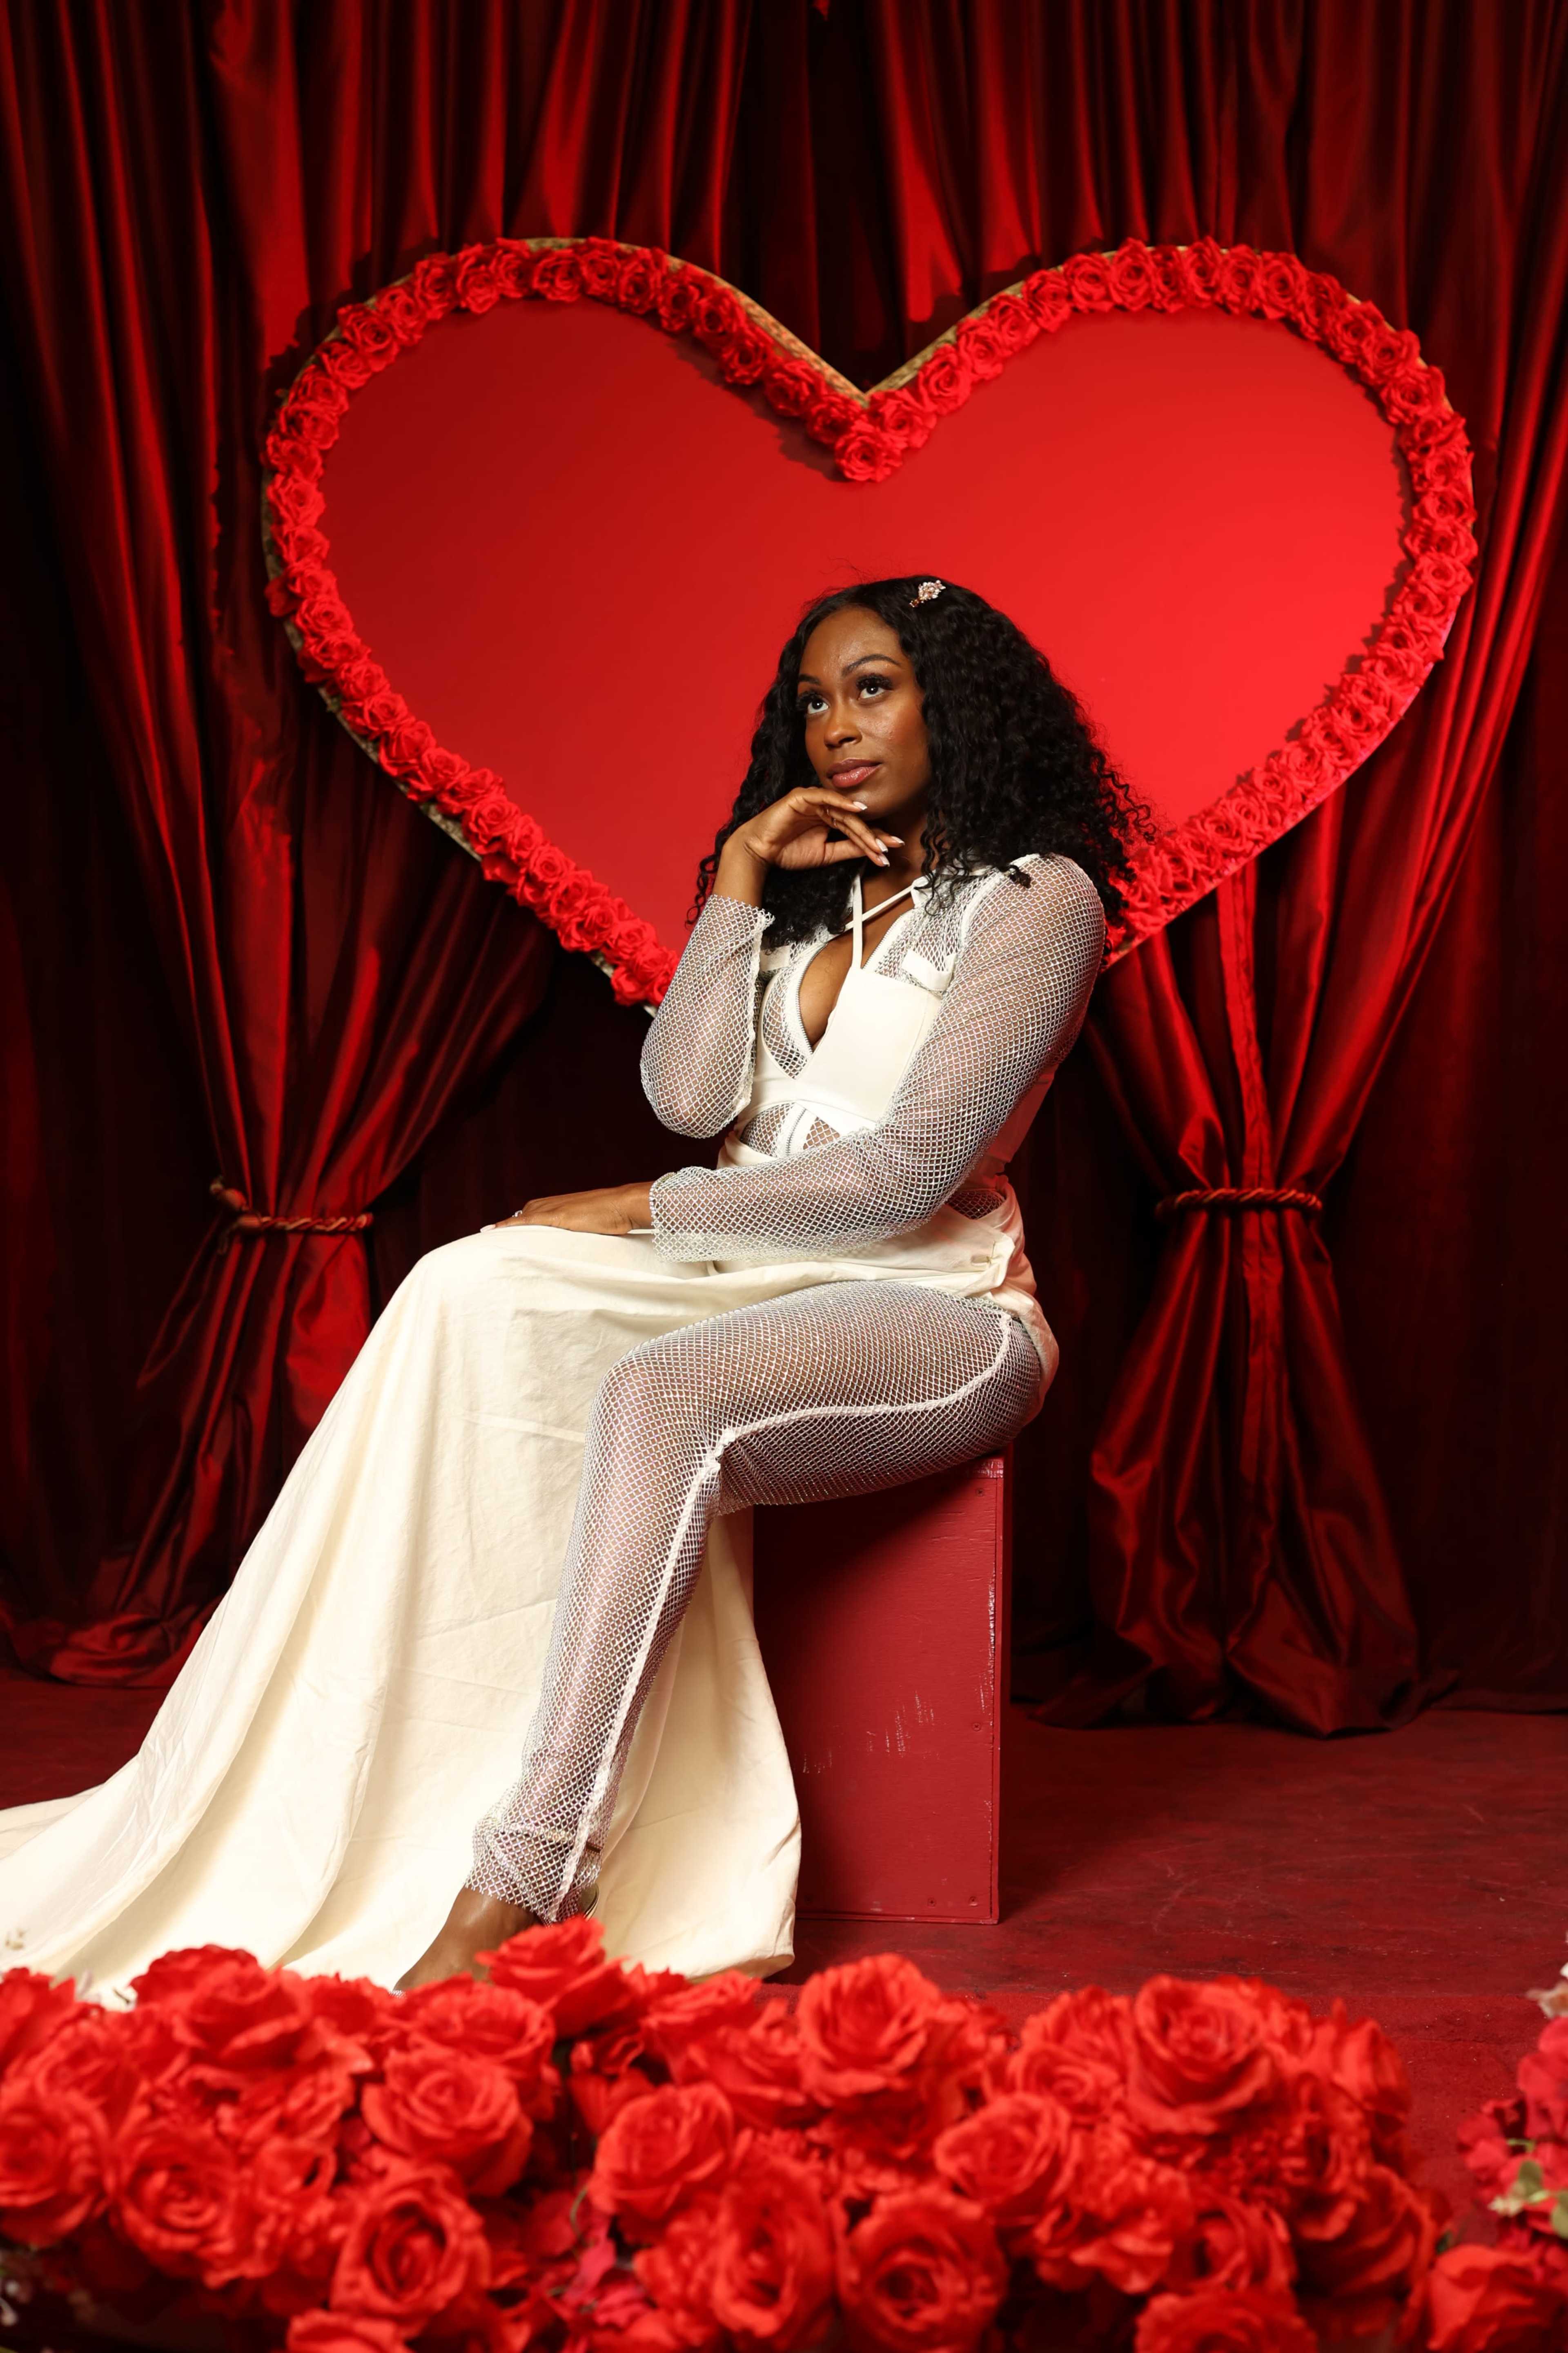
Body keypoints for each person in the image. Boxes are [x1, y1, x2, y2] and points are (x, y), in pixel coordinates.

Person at [0, 575, 1144, 1999]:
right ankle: (346, 1770)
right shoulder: (819, 895)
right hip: (740, 1273)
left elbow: (899, 1177)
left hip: (943, 1311)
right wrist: (739, 879)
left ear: (956, 698)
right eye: (810, 700)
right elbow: (685, 1092)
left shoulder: (1037, 898)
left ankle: (534, 1869)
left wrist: (639, 1213)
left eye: (873, 686)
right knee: (458, 1288)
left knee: (671, 1398)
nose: (835, 727)